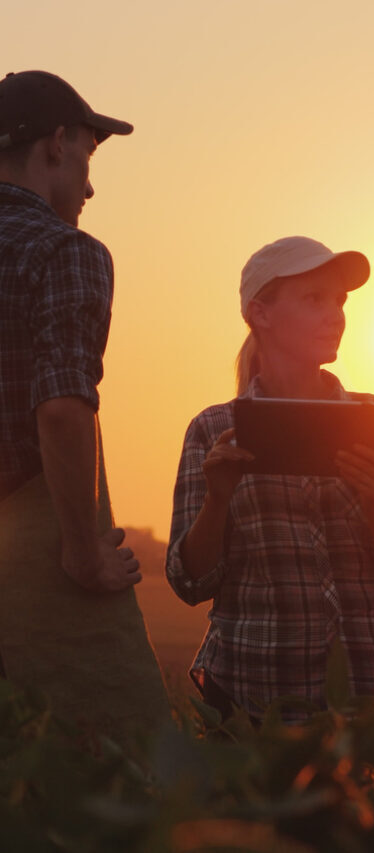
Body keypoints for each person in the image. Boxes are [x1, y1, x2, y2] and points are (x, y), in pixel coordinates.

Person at [166, 236, 374, 721]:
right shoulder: (211, 430)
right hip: (255, 699)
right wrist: (217, 500)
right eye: (315, 299)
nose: (336, 315)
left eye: (340, 300)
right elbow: (189, 582)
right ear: (260, 314)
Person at [0, 70, 168, 736]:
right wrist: (82, 550)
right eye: (88, 158)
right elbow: (64, 408)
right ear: (57, 143)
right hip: (36, 563)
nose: (91, 185)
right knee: (113, 775)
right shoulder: (64, 251)